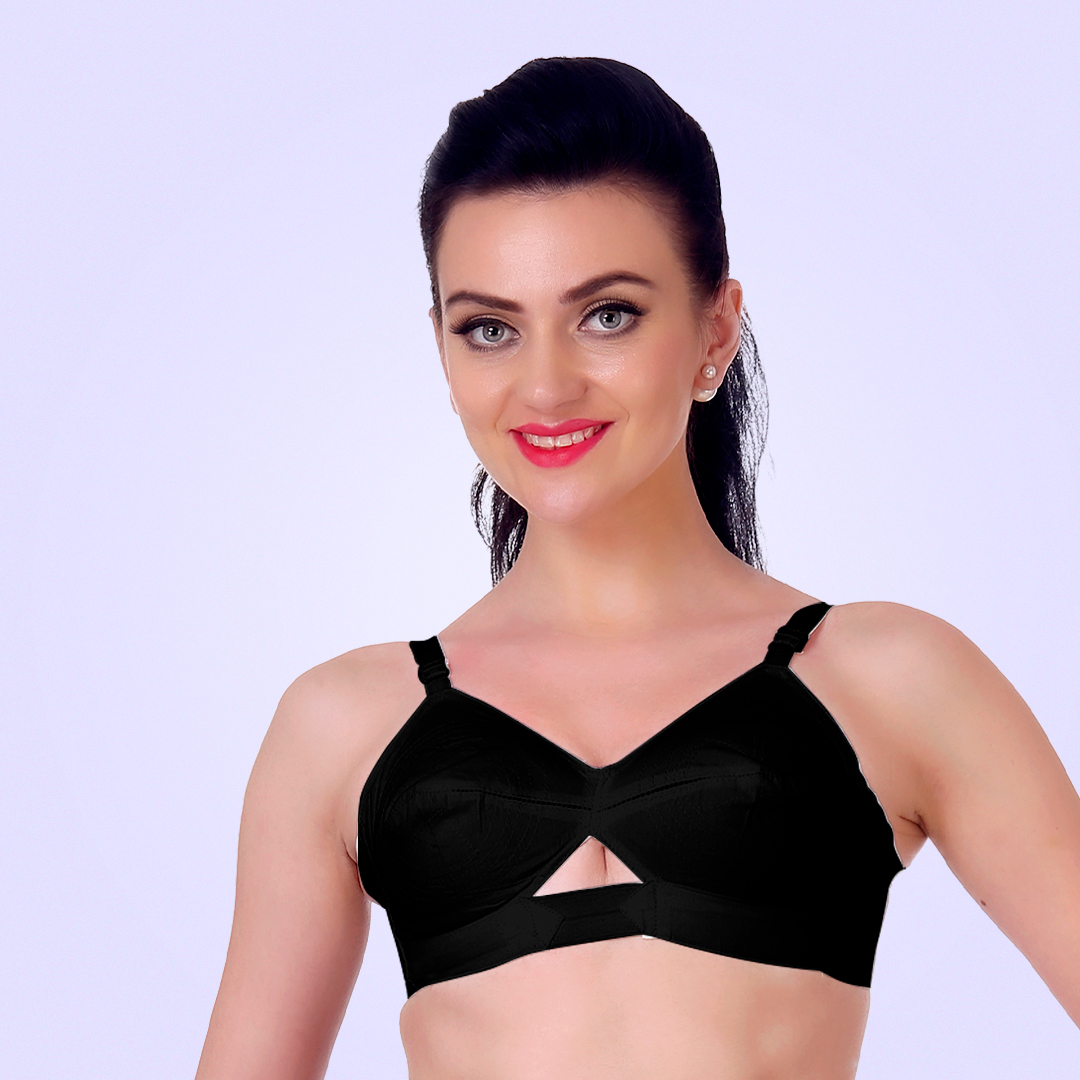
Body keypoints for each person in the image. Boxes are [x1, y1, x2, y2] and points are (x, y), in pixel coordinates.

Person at [195, 57, 1080, 1080]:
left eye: (606, 314)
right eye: (490, 328)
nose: (546, 386)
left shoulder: (892, 676)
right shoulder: (340, 725)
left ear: (715, 330)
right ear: (442, 350)